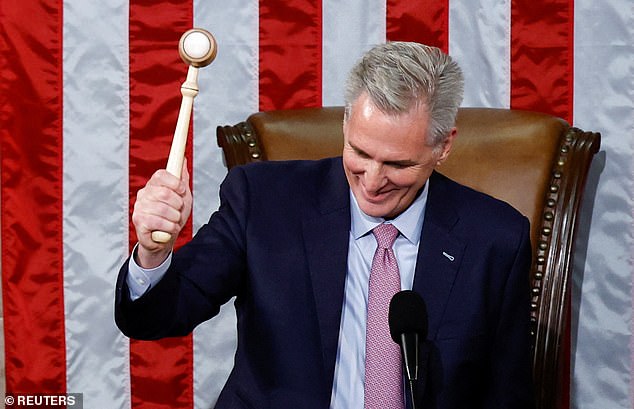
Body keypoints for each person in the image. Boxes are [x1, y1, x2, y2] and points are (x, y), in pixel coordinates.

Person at [115, 42, 534, 409]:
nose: (372, 181)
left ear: (444, 146)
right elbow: (155, 318)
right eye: (360, 152)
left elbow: (506, 395)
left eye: (398, 164)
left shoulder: (495, 239)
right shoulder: (265, 201)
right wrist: (153, 253)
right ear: (345, 125)